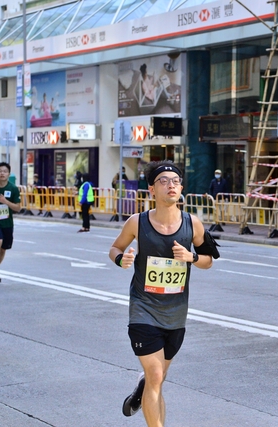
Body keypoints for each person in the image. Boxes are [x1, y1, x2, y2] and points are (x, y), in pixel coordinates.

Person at [108, 161, 219, 426]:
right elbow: (115, 248)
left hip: (176, 314)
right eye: (164, 181)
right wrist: (121, 259)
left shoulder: (193, 224)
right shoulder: (137, 222)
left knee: (157, 379)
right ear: (151, 189)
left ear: (181, 188)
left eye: (176, 181)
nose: (171, 185)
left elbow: (209, 260)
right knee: (156, 376)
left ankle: (144, 385)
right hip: (143, 309)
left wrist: (192, 257)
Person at [0, 162, 21, 283]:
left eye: (5, 171)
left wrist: (5, 201)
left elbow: (18, 208)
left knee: (3, 249)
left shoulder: (13, 188)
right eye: (0, 171)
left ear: (9, 174)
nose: (2, 173)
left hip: (7, 222)